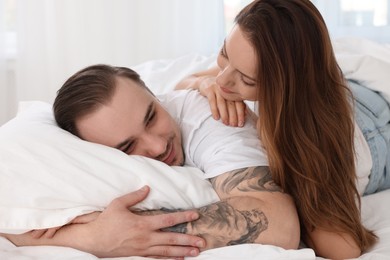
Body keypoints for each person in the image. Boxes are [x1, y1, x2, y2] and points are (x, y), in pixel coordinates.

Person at [1, 64, 300, 259]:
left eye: (151, 116)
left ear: (153, 94)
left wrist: (87, 236)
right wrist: (92, 238)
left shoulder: (210, 115)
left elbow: (280, 224)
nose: (157, 147)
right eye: (128, 146)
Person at [175, 0, 390, 259]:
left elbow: (343, 250)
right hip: (351, 89)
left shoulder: (309, 138)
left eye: (247, 80)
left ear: (284, 88)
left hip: (374, 134)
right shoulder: (242, 63)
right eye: (224, 54)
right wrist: (204, 84)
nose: (223, 80)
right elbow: (184, 83)